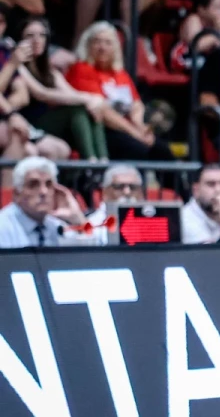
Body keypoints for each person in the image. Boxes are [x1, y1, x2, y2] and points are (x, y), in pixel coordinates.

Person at [67, 21, 175, 163]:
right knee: (137, 148)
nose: (102, 47)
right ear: (88, 45)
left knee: (163, 150)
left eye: (108, 43)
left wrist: (139, 125)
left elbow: (136, 103)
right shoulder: (81, 69)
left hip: (127, 128)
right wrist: (133, 132)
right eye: (97, 42)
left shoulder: (120, 73)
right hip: (99, 129)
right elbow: (103, 111)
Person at [9, 18, 108, 161]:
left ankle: (103, 161)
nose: (37, 40)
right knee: (78, 110)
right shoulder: (17, 65)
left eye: (42, 35)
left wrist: (93, 101)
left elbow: (71, 94)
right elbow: (42, 93)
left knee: (89, 109)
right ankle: (91, 162)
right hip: (30, 123)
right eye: (30, 36)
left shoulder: (50, 70)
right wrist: (89, 98)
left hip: (48, 123)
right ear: (20, 40)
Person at [0, 156, 86, 249]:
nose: (43, 191)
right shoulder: (3, 227)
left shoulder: (55, 225)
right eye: (33, 184)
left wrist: (78, 219)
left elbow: (92, 253)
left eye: (49, 184)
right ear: (17, 194)